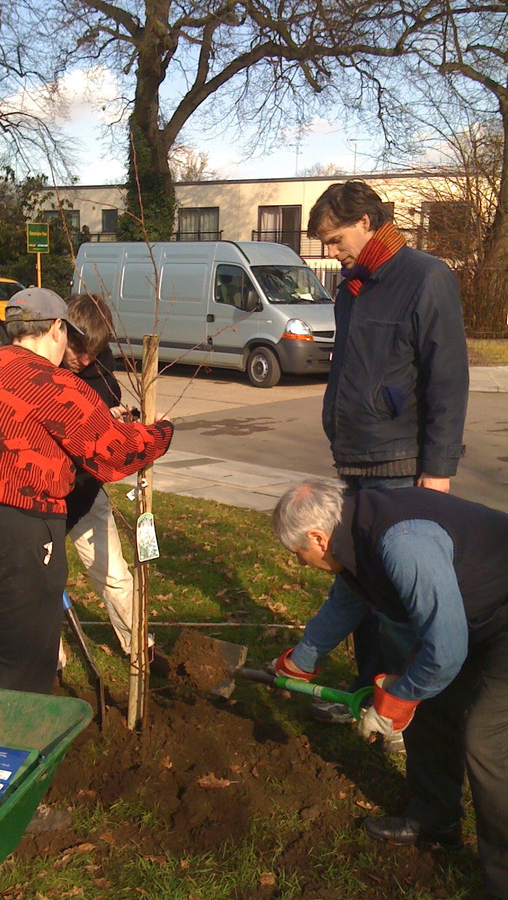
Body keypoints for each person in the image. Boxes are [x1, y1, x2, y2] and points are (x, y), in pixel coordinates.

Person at [272, 478, 508, 900]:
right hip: (472, 609)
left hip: (501, 607)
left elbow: (447, 649)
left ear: (317, 538)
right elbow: (347, 600)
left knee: (487, 741)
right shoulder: (353, 533)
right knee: (431, 708)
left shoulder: (402, 542)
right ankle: (436, 820)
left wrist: (398, 699)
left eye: (297, 554)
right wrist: (300, 661)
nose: (298, 562)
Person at [0, 287, 173, 695]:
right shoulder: (53, 384)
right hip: (14, 533)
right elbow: (115, 455)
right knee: (25, 672)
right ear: (58, 330)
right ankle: (18, 754)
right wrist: (160, 433)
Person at [303, 180, 469, 729]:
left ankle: (404, 708)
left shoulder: (425, 277)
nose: (331, 252)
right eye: (325, 243)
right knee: (362, 586)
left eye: (335, 238)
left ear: (368, 222)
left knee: (399, 603)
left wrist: (438, 471)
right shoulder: (352, 288)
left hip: (401, 468)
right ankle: (363, 695)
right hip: (356, 462)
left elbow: (447, 380)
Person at [60, 293, 146, 660]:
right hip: (37, 497)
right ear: (59, 332)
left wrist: (114, 423)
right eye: (79, 351)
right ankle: (51, 666)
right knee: (38, 587)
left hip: (83, 491)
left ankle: (141, 650)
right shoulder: (38, 367)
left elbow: (98, 422)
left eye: (94, 353)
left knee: (114, 575)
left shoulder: (102, 371)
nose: (85, 361)